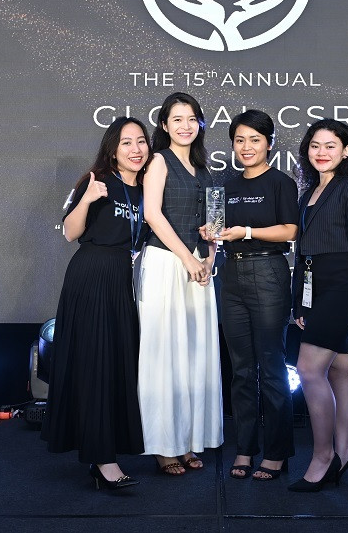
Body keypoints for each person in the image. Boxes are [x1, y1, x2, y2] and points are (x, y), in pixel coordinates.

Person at [42, 116, 151, 490]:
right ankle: (104, 461)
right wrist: (87, 199)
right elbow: (70, 232)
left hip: (122, 281)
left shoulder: (147, 190)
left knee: (115, 365)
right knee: (96, 366)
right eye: (126, 142)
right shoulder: (98, 181)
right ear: (112, 150)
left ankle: (103, 451)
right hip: (91, 277)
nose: (135, 149)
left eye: (141, 141)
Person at [203, 110, 298, 481]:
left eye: (255, 140)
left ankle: (276, 454)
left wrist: (245, 231)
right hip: (231, 275)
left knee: (272, 367)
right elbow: (216, 230)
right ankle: (244, 448)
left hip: (268, 272)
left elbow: (290, 231)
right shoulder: (224, 186)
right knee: (241, 370)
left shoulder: (281, 183)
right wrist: (210, 233)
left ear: (269, 144)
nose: (246, 147)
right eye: (239, 140)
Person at [287, 118, 348, 493]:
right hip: (314, 284)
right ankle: (347, 450)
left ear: (346, 151)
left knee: (309, 369)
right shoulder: (309, 189)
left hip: (342, 285)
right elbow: (304, 251)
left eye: (330, 146)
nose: (321, 152)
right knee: (340, 370)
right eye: (315, 146)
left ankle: (323, 458)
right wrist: (299, 302)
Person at [136, 92, 223, 475]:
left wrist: (209, 258)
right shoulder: (158, 160)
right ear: (164, 125)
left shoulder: (206, 170)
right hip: (165, 265)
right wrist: (188, 258)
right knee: (164, 356)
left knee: (194, 356)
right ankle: (163, 446)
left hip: (199, 269)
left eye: (191, 119)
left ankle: (188, 440)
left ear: (200, 123)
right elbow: (153, 215)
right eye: (177, 119)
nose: (185, 126)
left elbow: (215, 223)